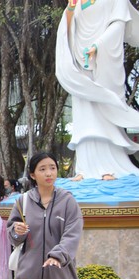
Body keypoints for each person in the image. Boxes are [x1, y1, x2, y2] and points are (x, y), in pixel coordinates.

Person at [56, 0, 139, 180]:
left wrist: (97, 45)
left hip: (102, 61)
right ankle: (84, 169)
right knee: (85, 117)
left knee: (103, 114)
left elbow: (118, 25)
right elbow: (68, 30)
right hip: (81, 64)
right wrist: (70, 9)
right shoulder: (78, 1)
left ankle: (110, 167)